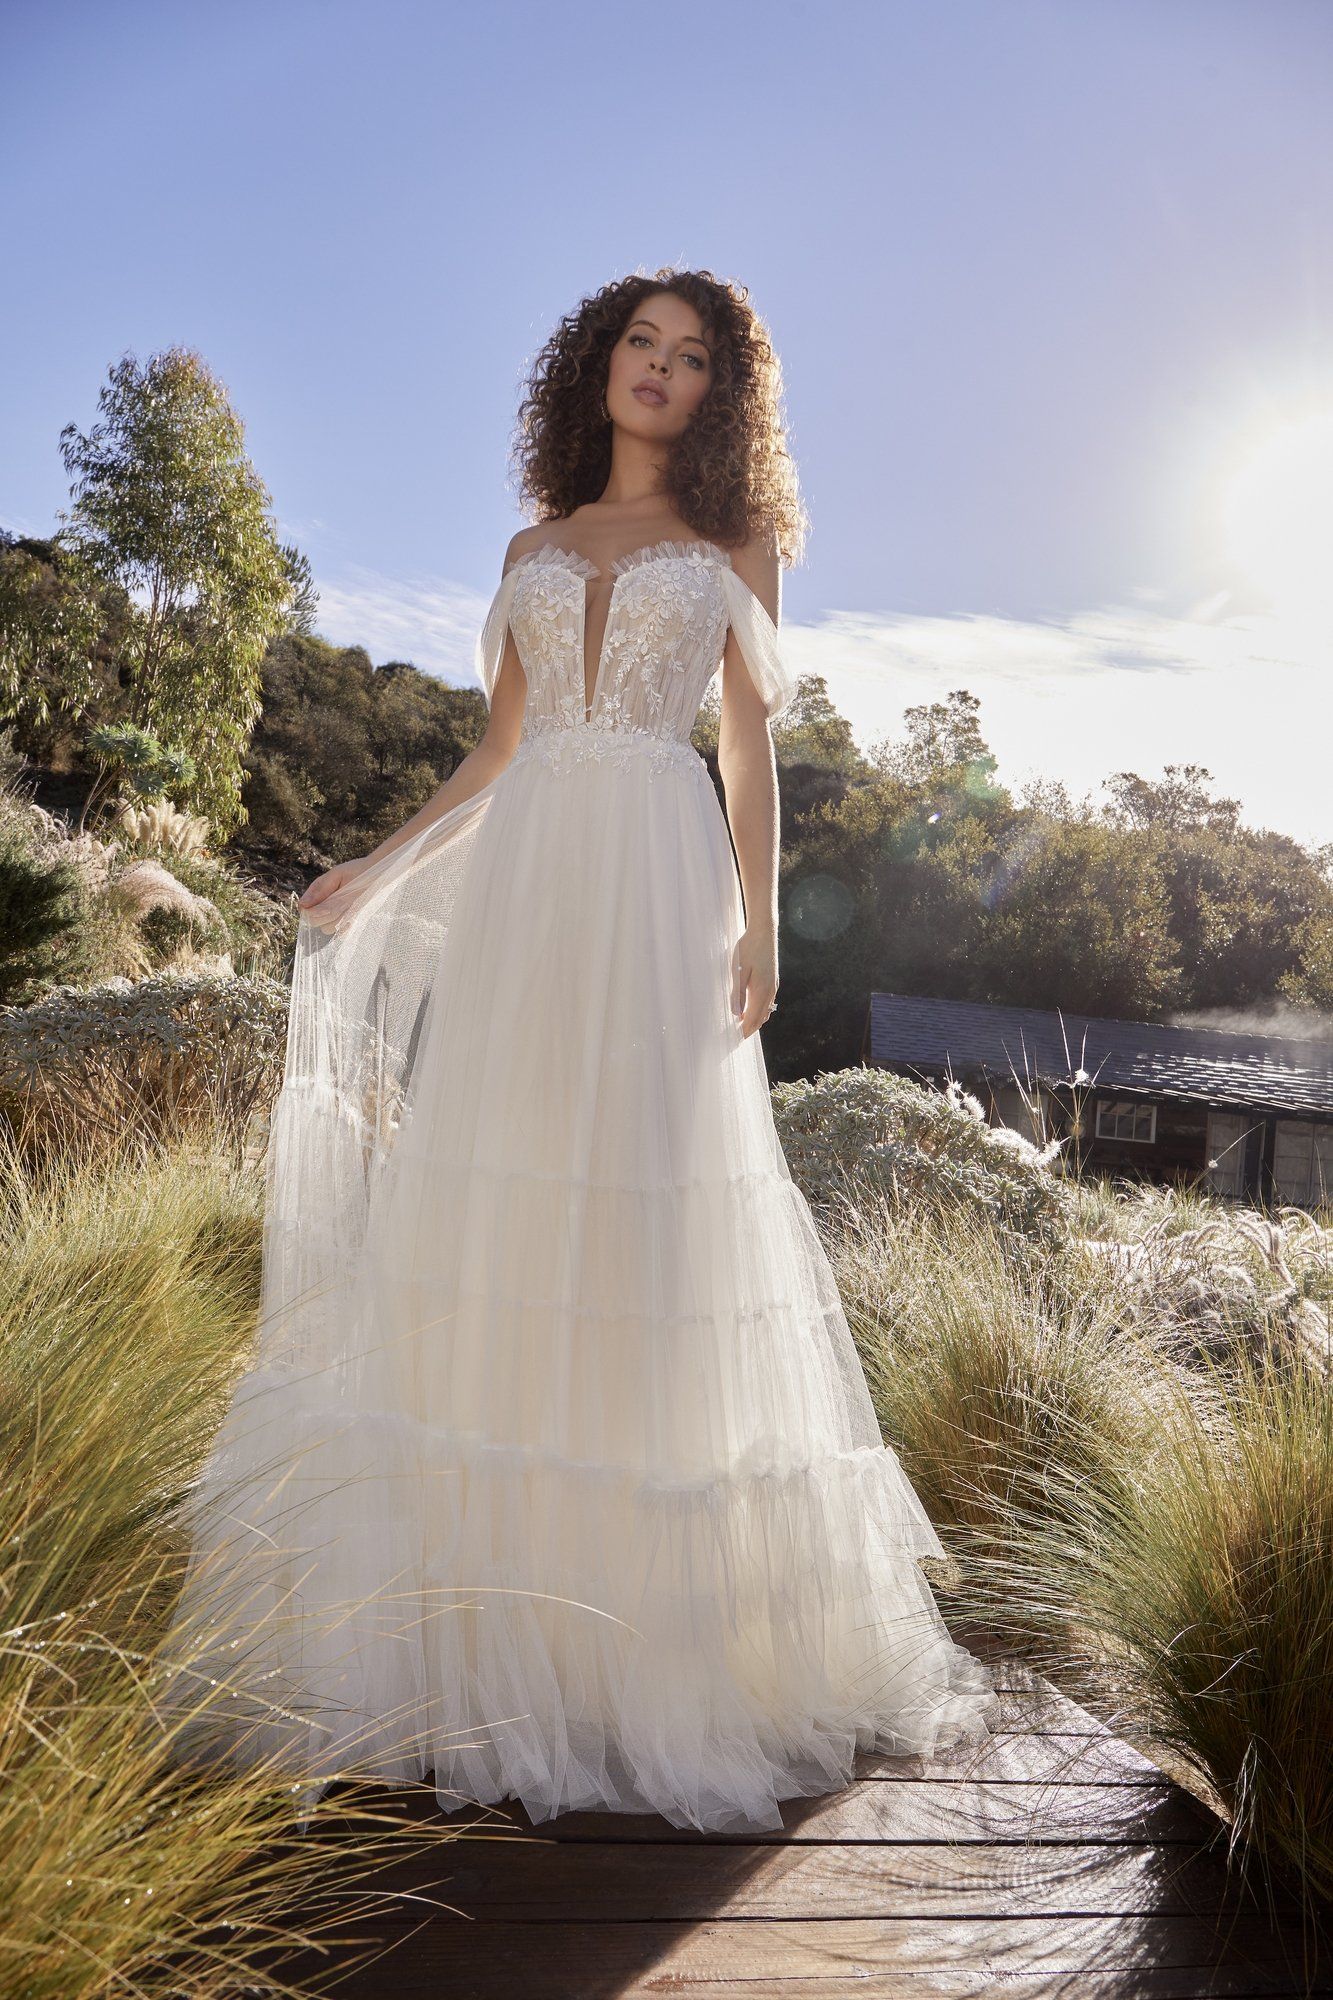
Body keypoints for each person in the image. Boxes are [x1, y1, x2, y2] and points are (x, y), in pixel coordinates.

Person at [161, 266, 998, 1834]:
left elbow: (747, 747)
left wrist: (756, 924)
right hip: (537, 879)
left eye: (691, 359)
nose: (659, 373)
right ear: (597, 364)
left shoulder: (732, 545)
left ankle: (644, 1650)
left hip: (656, 881)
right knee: (498, 1193)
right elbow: (497, 747)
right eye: (640, 344)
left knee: (644, 1200)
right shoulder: (530, 550)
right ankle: (474, 1631)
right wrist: (380, 864)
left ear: (718, 393)